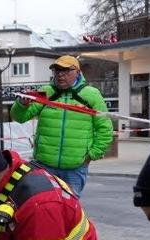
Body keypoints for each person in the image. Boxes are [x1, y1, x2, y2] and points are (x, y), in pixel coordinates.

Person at [8, 55, 111, 197]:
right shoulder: (45, 92)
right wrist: (21, 105)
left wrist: (92, 155)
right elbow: (20, 117)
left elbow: (105, 128)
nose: (60, 75)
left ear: (77, 72)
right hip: (44, 165)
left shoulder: (92, 95)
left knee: (68, 209)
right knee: (43, 206)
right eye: (57, 71)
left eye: (66, 71)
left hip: (74, 168)